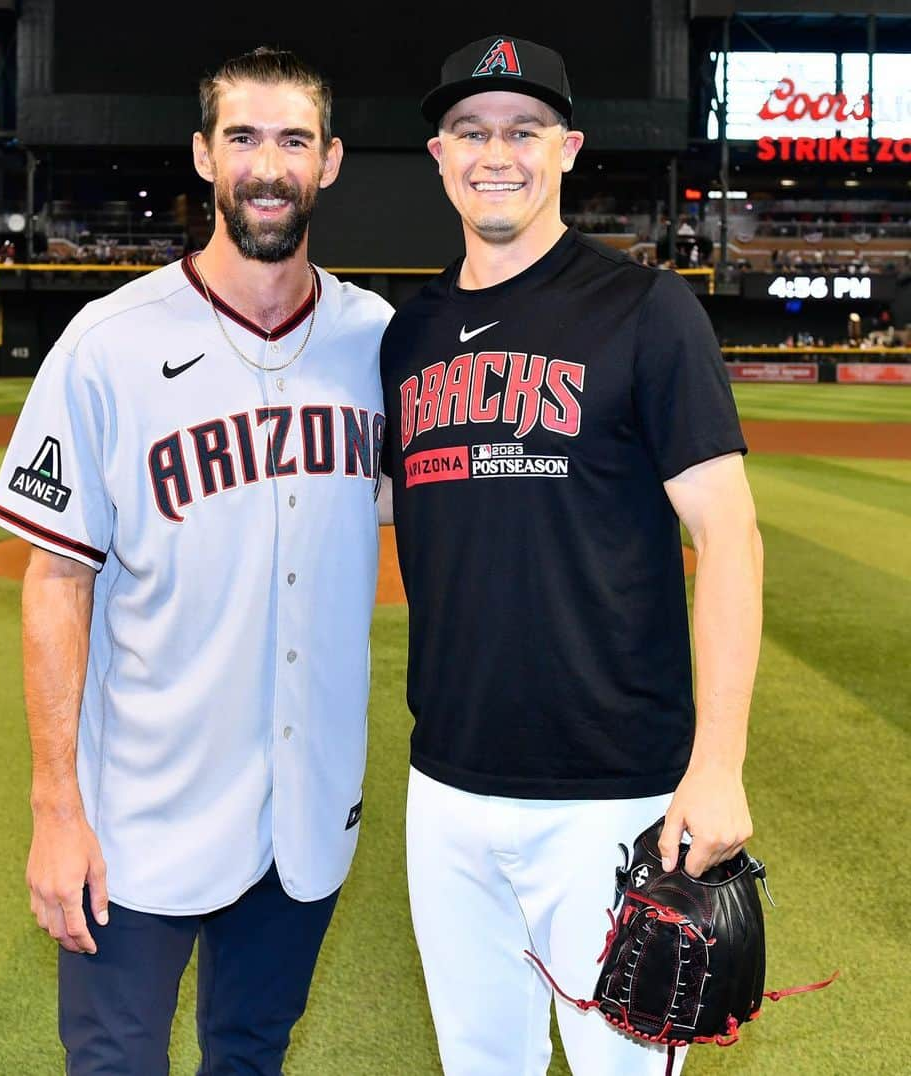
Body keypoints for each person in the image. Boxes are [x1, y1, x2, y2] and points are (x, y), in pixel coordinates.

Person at [0, 47, 392, 1074]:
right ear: (206, 154)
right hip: (136, 821)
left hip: (301, 818)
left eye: (293, 140)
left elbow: (469, 539)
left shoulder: (379, 344)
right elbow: (55, 578)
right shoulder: (107, 343)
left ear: (330, 161)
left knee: (249, 1055)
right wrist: (54, 810)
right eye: (244, 138)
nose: (268, 165)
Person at [377, 34, 763, 1076]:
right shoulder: (406, 336)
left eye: (523, 129)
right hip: (446, 788)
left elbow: (728, 533)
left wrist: (716, 764)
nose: (494, 152)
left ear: (568, 147)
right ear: (439, 153)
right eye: (470, 130)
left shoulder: (645, 310)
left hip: (615, 798)